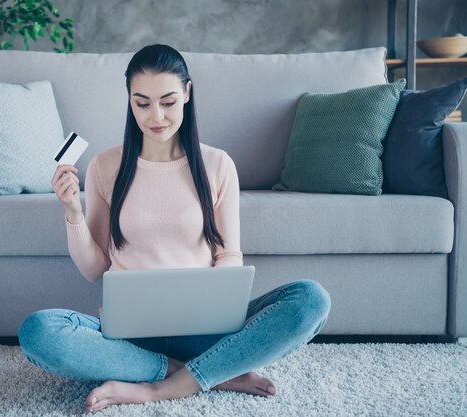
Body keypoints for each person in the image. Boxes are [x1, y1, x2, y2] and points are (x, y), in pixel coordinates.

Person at [18, 44, 331, 414]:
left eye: (168, 101)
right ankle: (206, 374)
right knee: (38, 332)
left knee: (311, 299)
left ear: (187, 92)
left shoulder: (217, 164)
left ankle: (159, 388)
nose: (156, 116)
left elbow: (228, 254)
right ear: (129, 101)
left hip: (204, 332)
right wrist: (72, 212)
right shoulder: (105, 166)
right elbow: (93, 269)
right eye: (143, 103)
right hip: (131, 339)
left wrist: (218, 303)